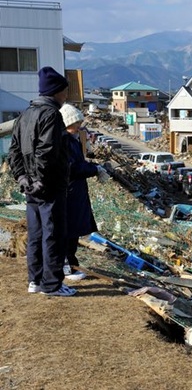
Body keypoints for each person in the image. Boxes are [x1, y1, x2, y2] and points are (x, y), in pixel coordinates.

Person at [8, 66, 75, 296]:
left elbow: (14, 151)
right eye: (64, 92)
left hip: (30, 187)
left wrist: (22, 177)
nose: (66, 96)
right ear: (55, 92)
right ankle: (52, 284)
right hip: (50, 186)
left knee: (36, 234)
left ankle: (34, 281)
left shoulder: (24, 114)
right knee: (53, 233)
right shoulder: (51, 115)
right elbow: (46, 152)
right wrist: (40, 179)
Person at [60, 104, 107, 281]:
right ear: (68, 122)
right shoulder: (65, 140)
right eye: (77, 122)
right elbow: (72, 167)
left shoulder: (71, 139)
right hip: (70, 192)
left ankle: (71, 263)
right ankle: (67, 266)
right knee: (68, 231)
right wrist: (94, 169)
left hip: (75, 191)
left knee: (73, 232)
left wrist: (93, 167)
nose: (79, 125)